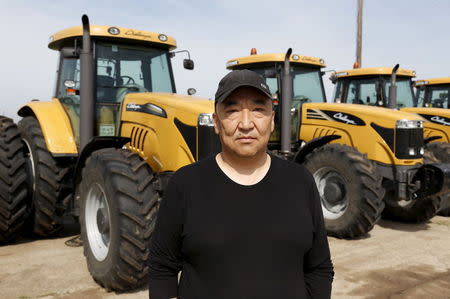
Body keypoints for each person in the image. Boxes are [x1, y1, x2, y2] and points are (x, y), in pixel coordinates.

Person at [148, 69, 334, 299]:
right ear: (216, 122)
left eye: (258, 110)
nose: (246, 124)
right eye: (232, 111)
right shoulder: (185, 185)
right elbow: (161, 269)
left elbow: (319, 268)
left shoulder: (300, 181)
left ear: (272, 120)